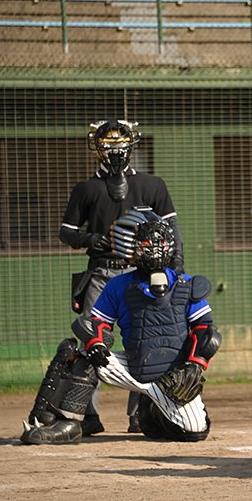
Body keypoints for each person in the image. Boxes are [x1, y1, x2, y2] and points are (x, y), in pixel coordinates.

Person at [21, 208, 219, 444]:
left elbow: (206, 332)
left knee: (194, 432)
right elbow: (96, 323)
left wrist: (195, 365)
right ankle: (66, 423)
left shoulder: (186, 285)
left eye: (158, 243)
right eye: (146, 243)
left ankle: (152, 412)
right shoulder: (118, 285)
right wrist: (95, 342)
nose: (153, 248)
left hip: (173, 379)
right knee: (81, 354)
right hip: (133, 367)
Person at [60, 119, 184, 435]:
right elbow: (67, 231)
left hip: (142, 275)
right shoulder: (87, 189)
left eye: (120, 145)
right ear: (97, 148)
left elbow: (172, 230)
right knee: (91, 338)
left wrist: (177, 267)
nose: (115, 151)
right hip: (102, 272)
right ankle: (86, 415)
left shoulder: (152, 185)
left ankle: (140, 416)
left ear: (131, 146)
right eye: (108, 145)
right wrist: (88, 239)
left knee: (146, 341)